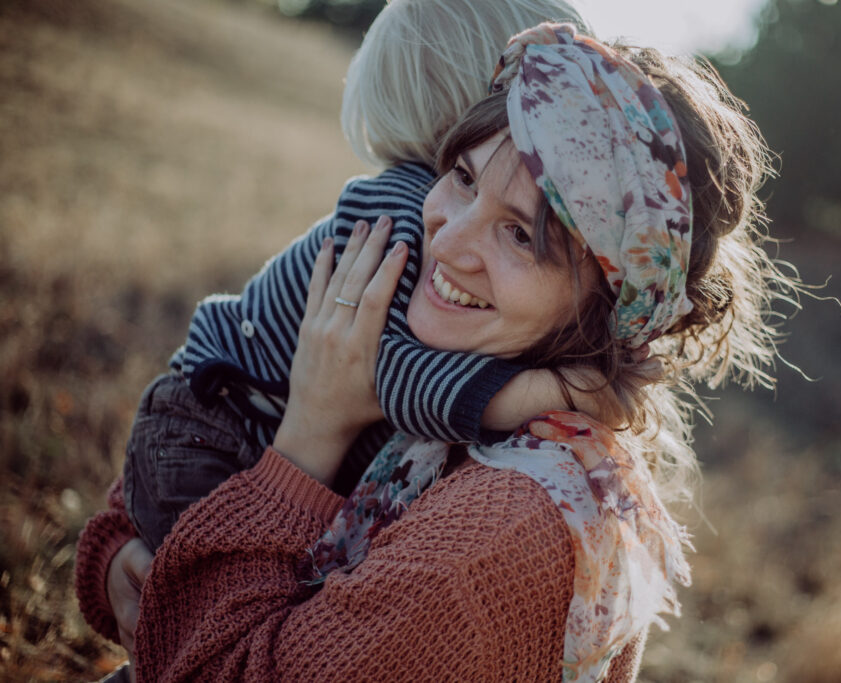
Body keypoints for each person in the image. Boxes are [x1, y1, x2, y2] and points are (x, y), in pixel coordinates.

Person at [79, 22, 799, 682]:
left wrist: (311, 432)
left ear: (607, 305)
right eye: (460, 179)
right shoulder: (460, 375)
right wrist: (117, 553)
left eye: (520, 235)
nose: (447, 241)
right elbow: (171, 483)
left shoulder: (495, 535)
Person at [113, 0, 596, 558]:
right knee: (205, 599)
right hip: (213, 425)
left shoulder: (451, 206)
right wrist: (549, 393)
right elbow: (388, 374)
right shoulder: (401, 209)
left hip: (240, 426)